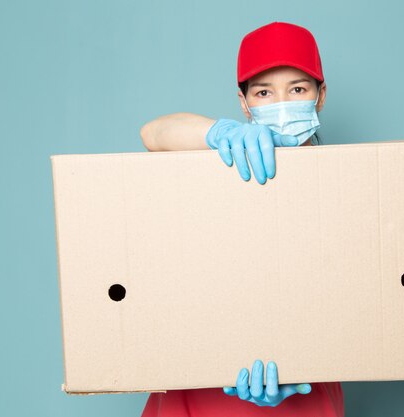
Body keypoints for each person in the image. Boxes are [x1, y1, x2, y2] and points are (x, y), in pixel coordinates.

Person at [139, 22, 344, 417]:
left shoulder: (346, 186)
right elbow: (153, 132)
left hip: (303, 390)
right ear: (244, 102)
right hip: (199, 389)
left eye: (297, 89)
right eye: (264, 92)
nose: (281, 102)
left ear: (320, 96)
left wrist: (298, 359)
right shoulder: (225, 160)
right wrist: (218, 133)